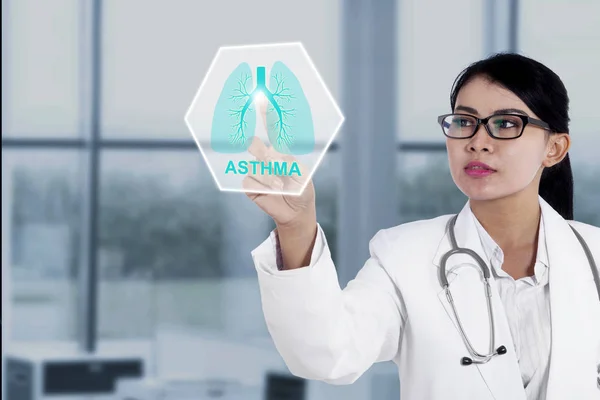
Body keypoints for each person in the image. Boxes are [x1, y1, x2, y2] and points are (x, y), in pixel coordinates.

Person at [243, 53, 600, 400]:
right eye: (464, 122)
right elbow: (325, 355)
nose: (477, 142)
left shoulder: (594, 254)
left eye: (506, 124)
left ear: (554, 148)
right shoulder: (404, 256)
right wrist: (296, 226)